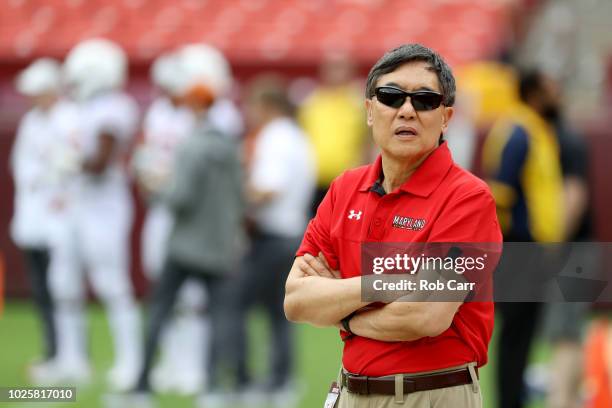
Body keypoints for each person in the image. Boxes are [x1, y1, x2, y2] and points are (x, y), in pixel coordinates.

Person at [284, 43, 502, 408]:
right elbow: (296, 300)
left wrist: (344, 314)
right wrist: (386, 286)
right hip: (350, 393)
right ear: (370, 111)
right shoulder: (344, 189)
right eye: (390, 96)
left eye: (425, 100)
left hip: (431, 396)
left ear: (446, 117)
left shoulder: (468, 197)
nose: (406, 111)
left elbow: (426, 314)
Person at [129, 43, 244, 408]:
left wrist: (153, 187)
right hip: (215, 234)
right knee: (205, 310)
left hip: (187, 232)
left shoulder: (208, 131)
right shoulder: (209, 127)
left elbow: (182, 192)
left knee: (172, 306)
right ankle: (199, 378)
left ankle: (150, 381)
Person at [49, 38, 143, 390]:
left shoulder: (115, 107)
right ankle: (71, 359)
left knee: (112, 285)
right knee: (64, 284)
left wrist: (70, 162)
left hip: (103, 208)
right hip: (76, 205)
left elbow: (100, 162)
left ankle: (129, 362)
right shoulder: (77, 107)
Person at [228, 75, 315, 406]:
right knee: (281, 313)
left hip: (271, 236)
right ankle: (281, 380)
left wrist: (236, 198)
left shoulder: (275, 138)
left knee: (235, 306)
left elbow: (268, 188)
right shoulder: (296, 136)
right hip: (292, 233)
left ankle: (246, 381)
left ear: (266, 106)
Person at [482, 69, 565, 408]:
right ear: (533, 93)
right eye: (550, 88)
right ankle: (508, 400)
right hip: (519, 245)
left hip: (535, 247)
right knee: (516, 331)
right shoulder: (517, 130)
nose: (556, 94)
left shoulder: (534, 128)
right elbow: (500, 191)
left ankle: (514, 396)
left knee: (525, 330)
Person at [10, 58, 79, 380]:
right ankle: (54, 351)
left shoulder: (69, 119)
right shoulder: (31, 122)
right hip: (34, 216)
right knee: (41, 288)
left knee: (64, 287)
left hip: (63, 216)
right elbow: (22, 167)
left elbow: (69, 164)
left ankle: (73, 355)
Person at [298, 53, 369, 215]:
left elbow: (368, 141)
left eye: (340, 68)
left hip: (348, 181)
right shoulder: (312, 102)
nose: (335, 73)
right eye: (331, 68)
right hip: (314, 181)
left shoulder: (359, 103)